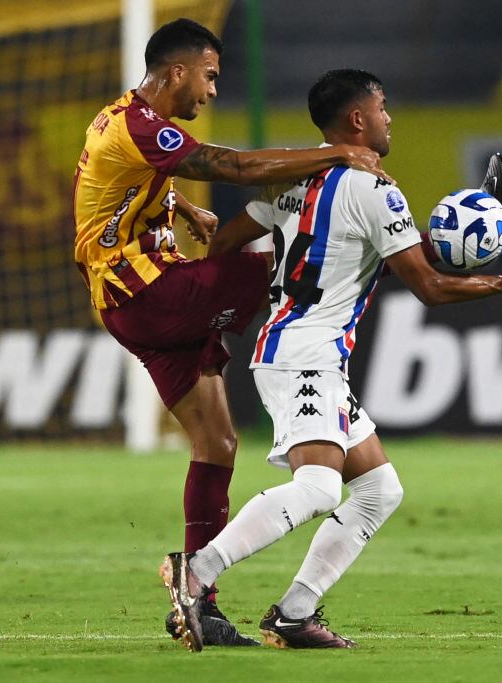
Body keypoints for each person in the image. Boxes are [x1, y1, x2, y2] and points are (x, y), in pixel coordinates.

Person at [159, 69, 502, 651]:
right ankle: (197, 571)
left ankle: (293, 613)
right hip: (304, 355)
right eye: (383, 106)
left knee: (378, 490)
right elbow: (430, 287)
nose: (390, 117)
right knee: (319, 489)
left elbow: (224, 243)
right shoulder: (375, 190)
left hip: (297, 349)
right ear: (357, 119)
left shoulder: (294, 173)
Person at [73, 19, 388, 646]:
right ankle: (303, 355)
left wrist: (182, 207)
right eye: (210, 76)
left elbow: (114, 192)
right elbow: (231, 164)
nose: (212, 91)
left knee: (217, 442)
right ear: (176, 73)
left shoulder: (123, 121)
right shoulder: (138, 126)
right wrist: (336, 154)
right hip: (145, 293)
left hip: (139, 301)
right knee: (292, 266)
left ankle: (200, 604)